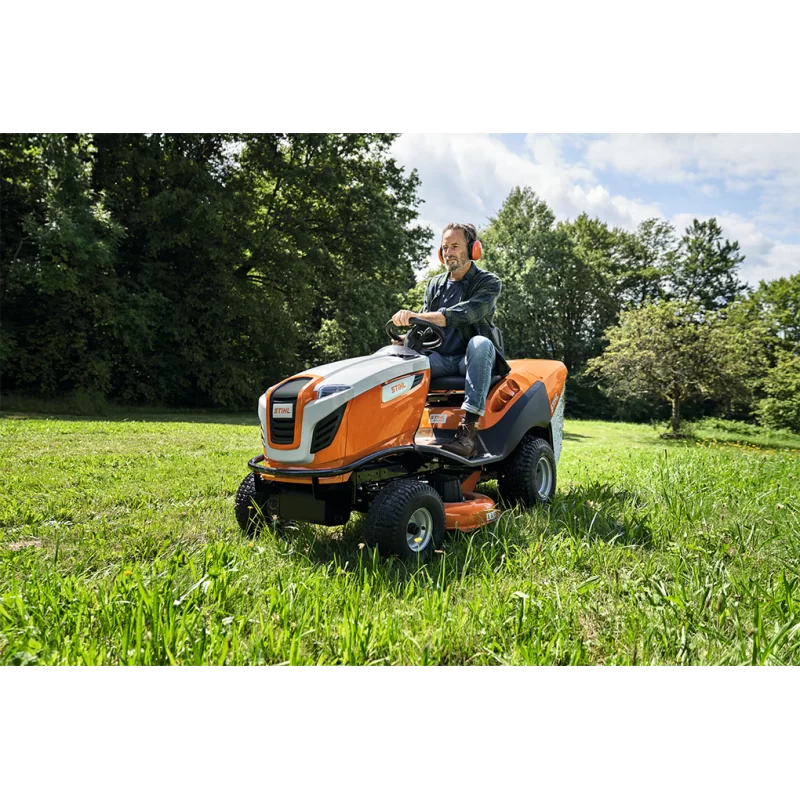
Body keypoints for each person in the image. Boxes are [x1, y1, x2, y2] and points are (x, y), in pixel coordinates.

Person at [392, 222, 509, 458]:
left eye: (455, 246)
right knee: (396, 358)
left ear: (474, 249)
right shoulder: (435, 285)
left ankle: (468, 433)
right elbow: (425, 327)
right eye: (445, 247)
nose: (448, 252)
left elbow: (464, 315)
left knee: (480, 343)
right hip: (440, 358)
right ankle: (395, 431)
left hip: (471, 359)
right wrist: (404, 339)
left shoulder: (488, 283)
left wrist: (416, 316)